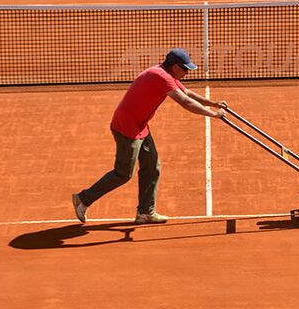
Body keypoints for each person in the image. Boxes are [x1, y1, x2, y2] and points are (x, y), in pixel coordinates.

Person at [72, 48, 226, 225]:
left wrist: (213, 104)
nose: (186, 73)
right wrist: (213, 114)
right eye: (185, 69)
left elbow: (188, 93)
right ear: (175, 67)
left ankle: (145, 212)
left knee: (152, 166)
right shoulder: (160, 76)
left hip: (140, 126)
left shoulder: (166, 74)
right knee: (123, 173)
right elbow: (185, 102)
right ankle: (83, 199)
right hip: (127, 128)